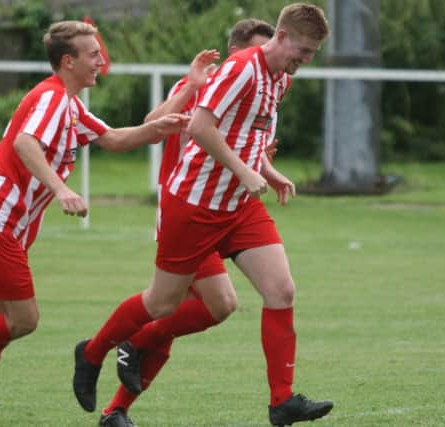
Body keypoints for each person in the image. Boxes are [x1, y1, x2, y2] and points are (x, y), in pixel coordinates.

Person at [0, 20, 187, 427]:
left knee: (1, 328)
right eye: (92, 55)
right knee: (24, 321)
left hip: (4, 224)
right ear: (68, 61)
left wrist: (154, 129)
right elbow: (24, 143)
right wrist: (62, 189)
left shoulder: (70, 105)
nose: (100, 60)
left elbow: (112, 138)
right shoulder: (52, 99)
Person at [72, 3, 334, 426]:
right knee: (162, 303)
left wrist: (268, 172)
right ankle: (92, 352)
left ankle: (281, 401)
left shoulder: (280, 79)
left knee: (281, 290)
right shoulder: (239, 70)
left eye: (312, 54)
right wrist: (245, 171)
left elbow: (251, 135)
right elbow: (198, 127)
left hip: (237, 205)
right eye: (302, 51)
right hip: (194, 203)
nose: (305, 61)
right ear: (281, 38)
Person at [94, 19, 280, 427]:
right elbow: (152, 122)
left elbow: (250, 147)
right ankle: (123, 365)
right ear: (235, 53)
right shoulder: (205, 85)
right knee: (204, 305)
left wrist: (266, 164)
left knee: (189, 311)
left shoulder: (260, 94)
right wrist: (195, 86)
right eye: (257, 51)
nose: (265, 60)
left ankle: (118, 404)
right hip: (187, 210)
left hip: (225, 212)